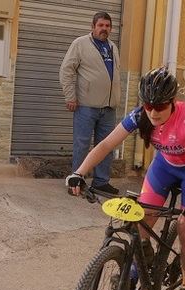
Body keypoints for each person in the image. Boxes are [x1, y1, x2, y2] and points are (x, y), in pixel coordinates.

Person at [66, 67, 185, 290]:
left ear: (172, 102)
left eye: (160, 106)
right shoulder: (140, 115)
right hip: (164, 167)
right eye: (148, 105)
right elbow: (105, 145)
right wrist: (79, 173)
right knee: (141, 219)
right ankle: (141, 265)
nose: (153, 112)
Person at [59, 11, 121, 194]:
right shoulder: (80, 44)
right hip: (86, 105)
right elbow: (66, 71)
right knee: (82, 144)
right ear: (93, 27)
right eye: (100, 25)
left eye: (107, 26)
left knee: (107, 146)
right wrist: (70, 96)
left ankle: (101, 181)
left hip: (109, 108)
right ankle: (77, 181)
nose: (104, 29)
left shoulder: (112, 47)